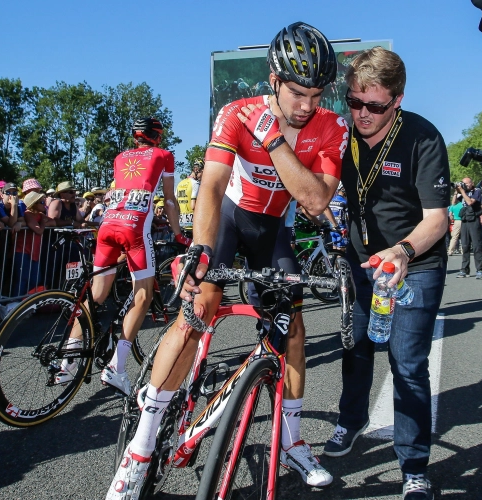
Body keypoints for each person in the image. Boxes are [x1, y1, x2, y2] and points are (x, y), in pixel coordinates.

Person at [108, 22, 346, 499]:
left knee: (293, 328)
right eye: (298, 93)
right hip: (232, 220)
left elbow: (317, 201)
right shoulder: (236, 113)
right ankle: (141, 447)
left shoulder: (330, 126)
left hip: (275, 228)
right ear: (274, 80)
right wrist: (199, 250)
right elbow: (213, 187)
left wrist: (275, 140)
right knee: (195, 311)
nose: (307, 105)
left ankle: (293, 440)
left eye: (316, 94)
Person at [323, 47, 449, 500]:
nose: (362, 114)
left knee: (408, 365)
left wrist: (401, 251)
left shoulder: (422, 137)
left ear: (397, 99)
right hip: (362, 264)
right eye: (354, 102)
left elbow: (438, 219)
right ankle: (351, 422)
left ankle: (414, 465)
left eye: (374, 106)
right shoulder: (342, 135)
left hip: (416, 261)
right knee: (355, 350)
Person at [58, 118, 183, 409]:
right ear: (156, 136)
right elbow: (169, 200)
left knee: (96, 295)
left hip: (108, 226)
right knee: (144, 295)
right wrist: (178, 234)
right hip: (134, 230)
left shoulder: (120, 157)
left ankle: (68, 359)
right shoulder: (164, 155)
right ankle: (117, 367)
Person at [14, 191, 55, 295]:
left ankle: (29, 303)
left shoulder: (39, 215)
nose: (44, 204)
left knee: (35, 279)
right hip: (23, 250)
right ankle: (16, 304)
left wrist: (42, 221)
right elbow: (39, 230)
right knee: (22, 279)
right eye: (41, 202)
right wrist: (42, 222)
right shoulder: (28, 214)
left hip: (34, 252)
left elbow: (54, 222)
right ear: (34, 204)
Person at [456, 178, 482, 278]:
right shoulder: (463, 192)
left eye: (466, 183)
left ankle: (479, 270)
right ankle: (464, 269)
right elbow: (454, 203)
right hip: (464, 221)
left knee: (477, 246)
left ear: (472, 183)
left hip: (474, 220)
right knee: (465, 246)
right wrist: (456, 192)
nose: (465, 185)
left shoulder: (477, 191)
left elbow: (470, 202)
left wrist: (463, 192)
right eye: (463, 183)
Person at [176, 159, 203, 229]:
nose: (202, 176)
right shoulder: (195, 184)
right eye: (202, 173)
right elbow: (193, 206)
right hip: (193, 225)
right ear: (197, 170)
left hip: (181, 224)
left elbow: (175, 205)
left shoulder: (180, 183)